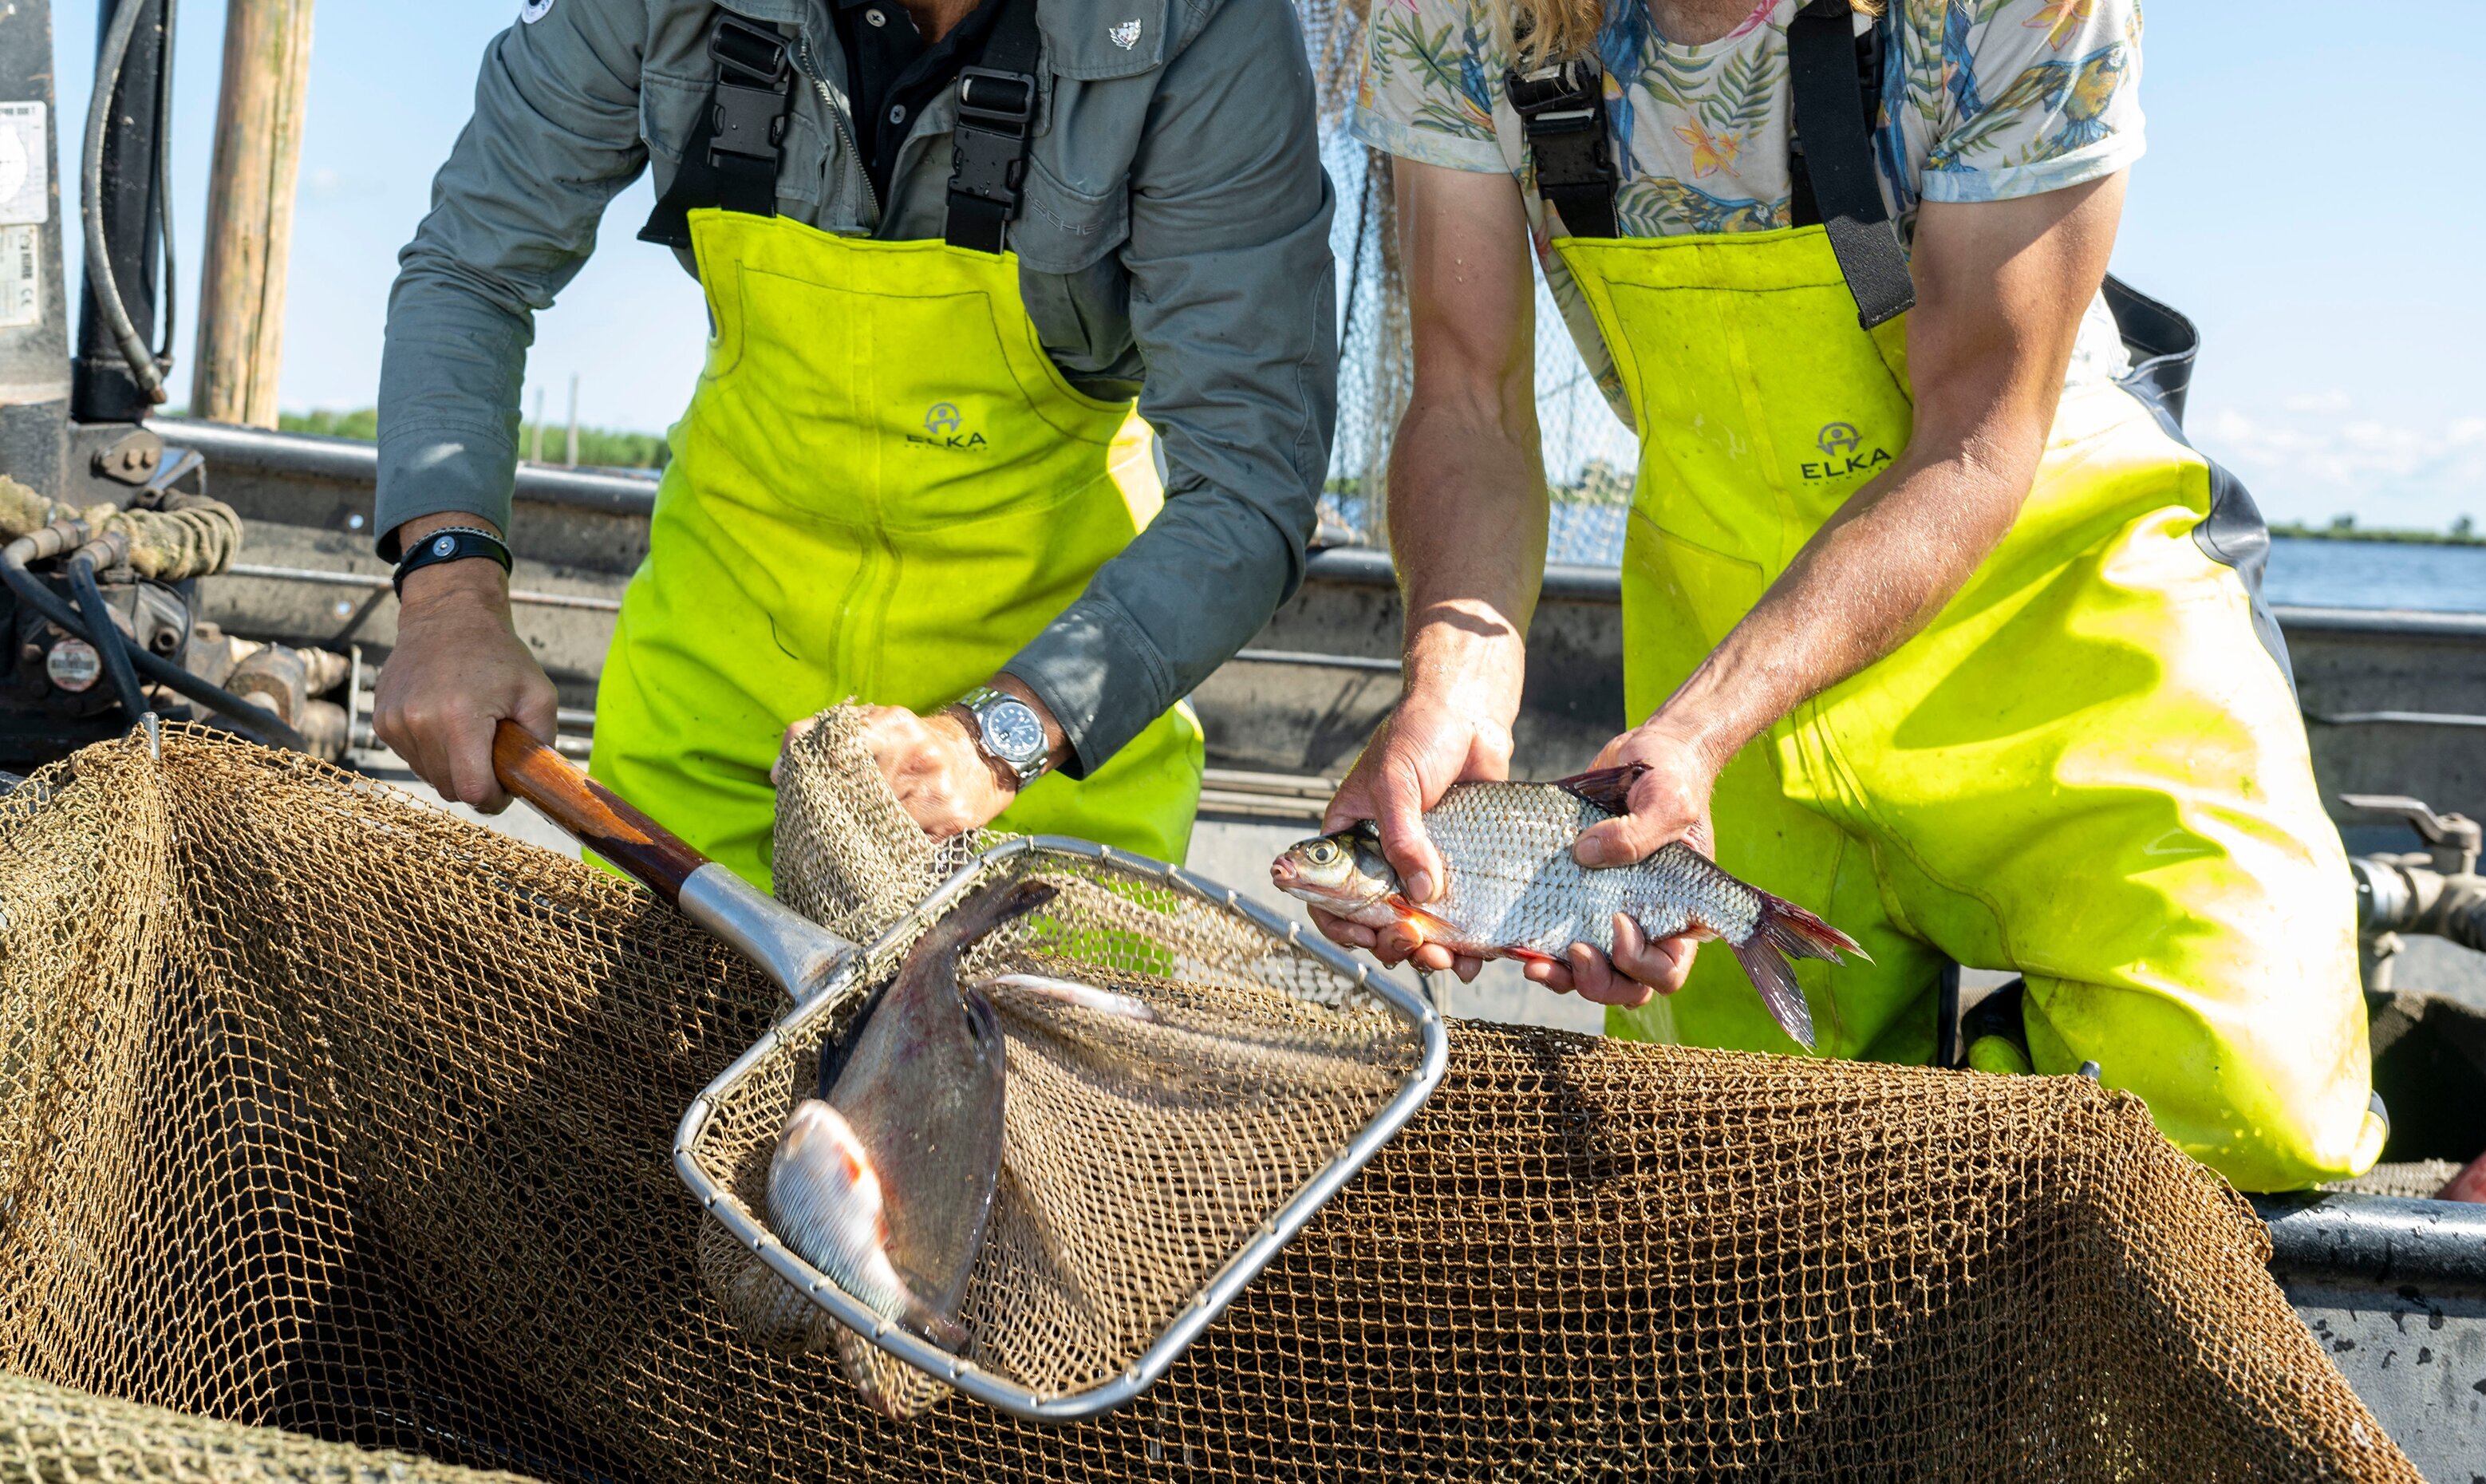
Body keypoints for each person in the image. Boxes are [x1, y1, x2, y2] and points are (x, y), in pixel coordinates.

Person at [1315, 0, 2384, 1190]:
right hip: (1717, 625)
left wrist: (1700, 724)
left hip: (2050, 606)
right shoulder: (1449, 12)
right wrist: (1457, 687)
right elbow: (1465, 401)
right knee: (1712, 1172)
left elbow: (1976, 441)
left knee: (2246, 1114)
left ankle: (1975, 1119)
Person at [370, 0, 1336, 887]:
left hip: (1051, 785)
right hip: (699, 765)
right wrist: (449, 595)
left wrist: (999, 737)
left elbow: (1250, 478)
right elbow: (471, 269)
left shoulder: (1211, 24)